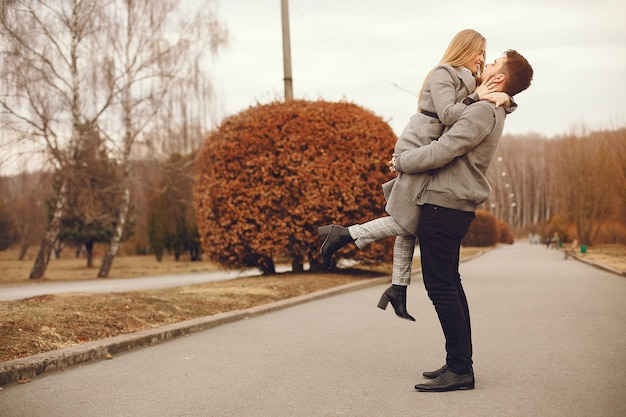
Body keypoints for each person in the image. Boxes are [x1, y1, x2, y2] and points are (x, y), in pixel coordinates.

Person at [318, 29, 510, 321]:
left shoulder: (472, 80)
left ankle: (398, 288)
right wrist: (476, 96)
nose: (482, 59)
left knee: (409, 219)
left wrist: (504, 96)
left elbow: (491, 98)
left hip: (430, 148)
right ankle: (344, 234)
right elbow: (448, 114)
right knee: (405, 218)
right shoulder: (443, 73)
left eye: (486, 54)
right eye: (479, 52)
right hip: (418, 144)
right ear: (464, 49)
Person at [390, 49, 533, 392]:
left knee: (441, 287)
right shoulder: (494, 106)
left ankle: (459, 369)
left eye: (494, 64)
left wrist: (403, 161)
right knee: (450, 285)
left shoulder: (483, 110)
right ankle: (458, 362)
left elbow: (444, 149)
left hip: (444, 207)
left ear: (499, 79)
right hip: (451, 207)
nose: (486, 65)